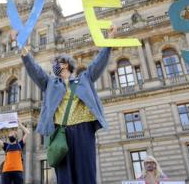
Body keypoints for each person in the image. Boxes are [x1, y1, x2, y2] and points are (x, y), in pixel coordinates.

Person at [14, 25, 115, 184]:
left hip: (84, 130)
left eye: (58, 62)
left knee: (86, 172)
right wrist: (21, 47)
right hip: (61, 132)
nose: (55, 65)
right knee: (64, 176)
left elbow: (98, 64)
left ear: (66, 64)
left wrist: (109, 41)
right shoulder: (50, 83)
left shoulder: (84, 78)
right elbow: (34, 70)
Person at [0, 119, 30, 184]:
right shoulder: (6, 145)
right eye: (9, 134)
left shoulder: (20, 144)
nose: (10, 134)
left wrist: (20, 125)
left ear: (16, 137)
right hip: (6, 171)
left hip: (17, 170)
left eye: (12, 133)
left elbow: (27, 133)